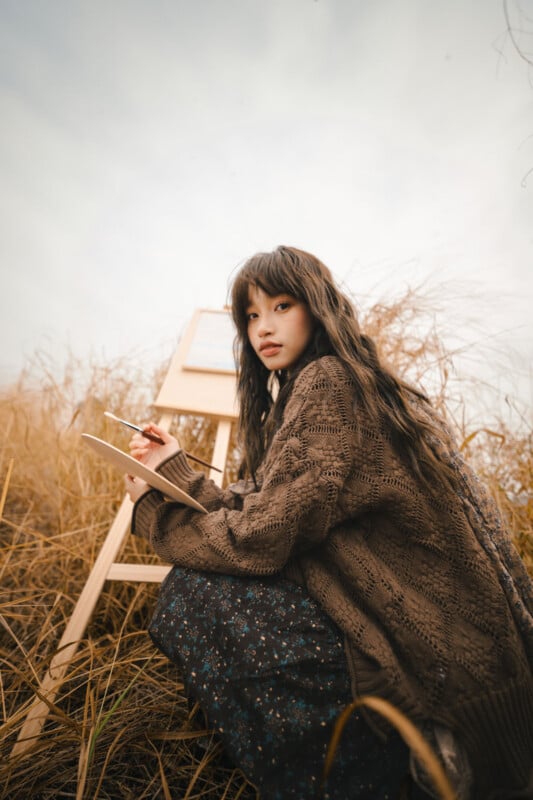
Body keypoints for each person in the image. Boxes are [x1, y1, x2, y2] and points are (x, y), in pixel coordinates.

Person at [125, 246, 533, 800]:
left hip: (436, 660)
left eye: (281, 306)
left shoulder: (329, 383)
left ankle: (383, 771)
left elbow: (264, 537)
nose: (263, 327)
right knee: (205, 591)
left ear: (316, 308)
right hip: (445, 646)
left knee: (193, 597)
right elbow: (268, 506)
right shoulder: (331, 384)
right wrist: (174, 471)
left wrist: (155, 512)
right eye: (251, 315)